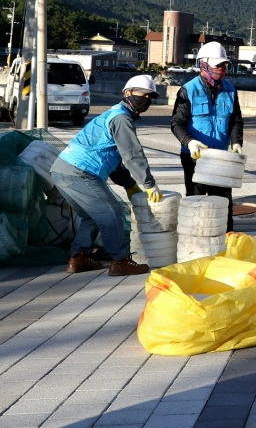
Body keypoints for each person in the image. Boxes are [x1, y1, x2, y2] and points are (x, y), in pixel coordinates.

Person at [52, 75, 162, 275]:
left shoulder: (115, 114)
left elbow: (113, 159)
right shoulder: (122, 118)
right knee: (112, 212)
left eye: (150, 97)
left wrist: (129, 185)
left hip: (62, 170)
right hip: (80, 172)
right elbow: (132, 154)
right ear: (127, 93)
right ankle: (120, 261)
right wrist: (148, 183)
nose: (146, 99)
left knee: (92, 216)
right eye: (143, 94)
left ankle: (78, 259)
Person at [172, 41, 243, 232]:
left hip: (220, 157)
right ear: (203, 64)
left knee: (223, 203)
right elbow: (176, 123)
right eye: (217, 65)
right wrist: (190, 142)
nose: (221, 69)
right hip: (194, 157)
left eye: (224, 65)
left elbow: (236, 120)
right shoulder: (188, 90)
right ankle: (197, 239)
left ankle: (226, 240)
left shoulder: (230, 90)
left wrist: (236, 142)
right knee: (197, 201)